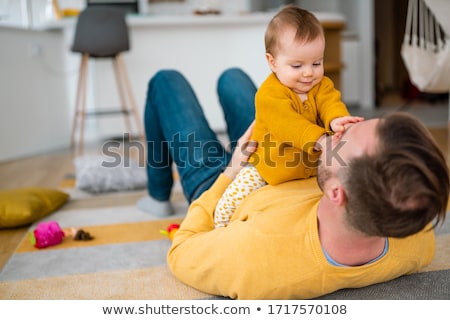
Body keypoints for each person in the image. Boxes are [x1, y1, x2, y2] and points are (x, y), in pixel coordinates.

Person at [136, 67, 449, 299]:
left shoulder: (256, 255)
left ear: (337, 193)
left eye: (344, 139)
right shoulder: (415, 230)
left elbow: (181, 252)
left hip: (227, 187)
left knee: (166, 82)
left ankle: (157, 195)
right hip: (290, 162)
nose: (336, 131)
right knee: (233, 80)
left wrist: (231, 170)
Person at [213, 6, 363, 228]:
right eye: (297, 65)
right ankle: (221, 228)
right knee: (228, 204)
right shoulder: (268, 95)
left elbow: (330, 102)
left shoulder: (321, 84)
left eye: (317, 63)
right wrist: (321, 140)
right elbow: (289, 126)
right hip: (268, 168)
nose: (309, 73)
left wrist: (336, 120)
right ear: (272, 62)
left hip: (310, 169)